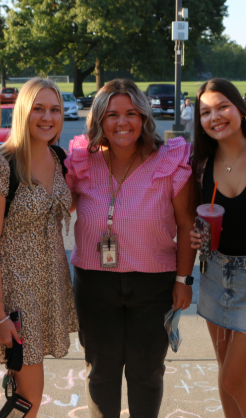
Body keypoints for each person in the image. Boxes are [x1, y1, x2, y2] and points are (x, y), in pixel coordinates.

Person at [64, 79, 195, 418]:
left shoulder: (169, 160)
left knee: (147, 373)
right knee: (101, 371)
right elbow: (57, 208)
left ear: (144, 117)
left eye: (131, 113)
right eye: (112, 115)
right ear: (98, 120)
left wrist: (184, 279)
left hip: (154, 284)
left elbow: (185, 225)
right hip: (94, 283)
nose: (122, 123)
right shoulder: (82, 160)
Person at [0, 78, 76, 418]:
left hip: (50, 287)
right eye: (38, 108)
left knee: (23, 395)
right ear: (22, 112)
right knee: (29, 398)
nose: (48, 117)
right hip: (14, 297)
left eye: (55, 109)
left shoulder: (58, 158)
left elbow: (62, 207)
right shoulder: (2, 165)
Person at [187, 79, 246, 418]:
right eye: (205, 112)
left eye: (222, 107)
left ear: (240, 110)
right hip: (214, 274)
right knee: (225, 372)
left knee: (236, 378)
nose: (215, 117)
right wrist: (196, 236)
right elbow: (192, 220)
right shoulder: (199, 163)